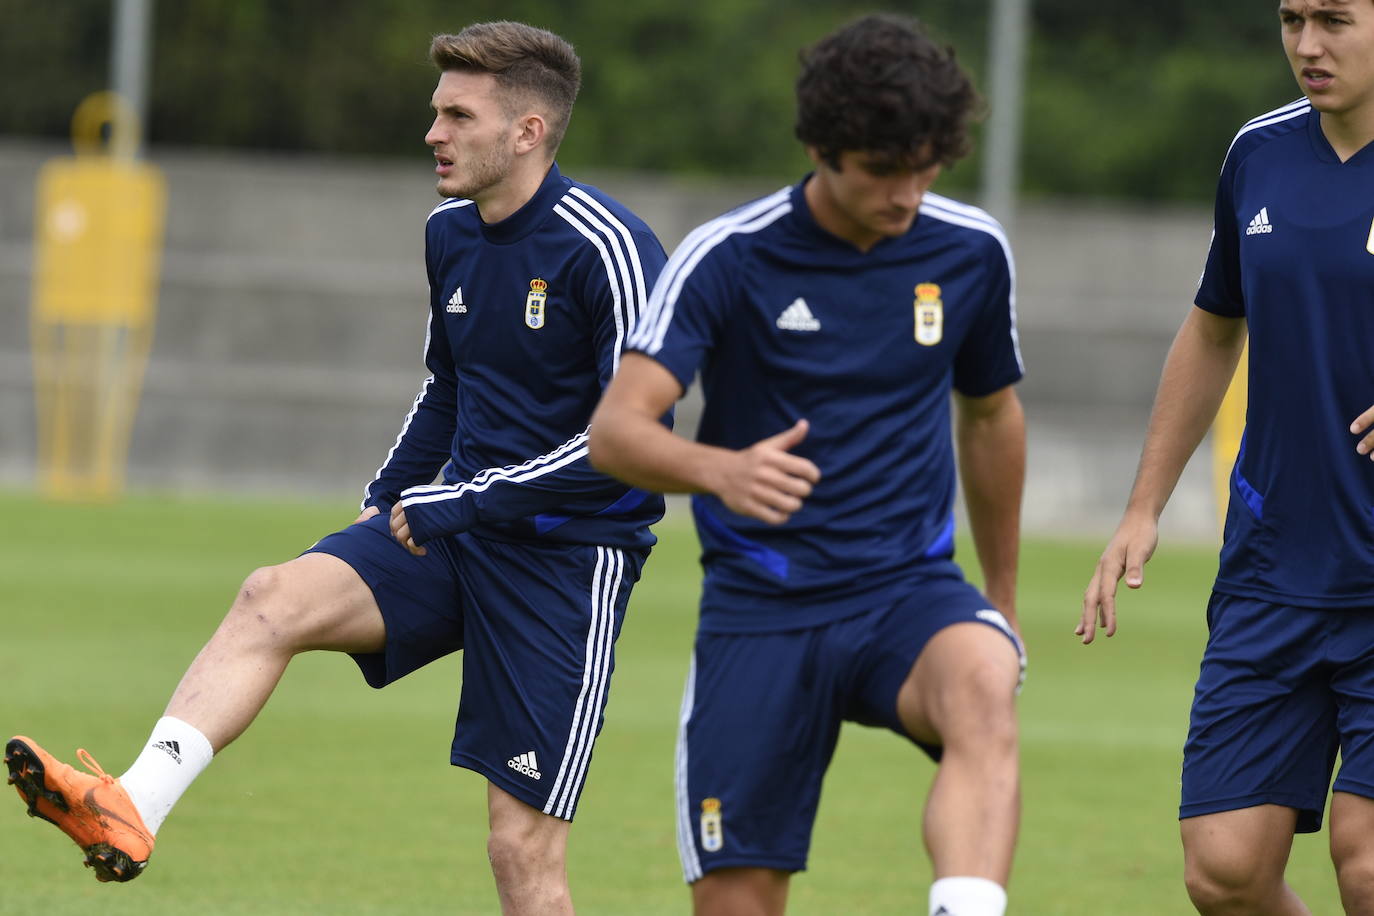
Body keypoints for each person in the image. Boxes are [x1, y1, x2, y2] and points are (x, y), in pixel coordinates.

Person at [7, 21, 667, 914]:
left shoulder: (608, 248)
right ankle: (131, 804)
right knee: (271, 597)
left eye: (457, 115)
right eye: (436, 112)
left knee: (519, 855)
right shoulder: (449, 235)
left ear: (527, 132)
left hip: (565, 561)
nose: (432, 133)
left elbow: (631, 443)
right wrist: (384, 502)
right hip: (447, 530)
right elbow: (446, 389)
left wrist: (462, 501)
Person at [588, 15, 1026, 916]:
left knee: (983, 679)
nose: (907, 193)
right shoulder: (730, 255)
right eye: (880, 170)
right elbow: (617, 432)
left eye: (925, 166)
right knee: (740, 899)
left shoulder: (970, 251)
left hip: (908, 591)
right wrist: (719, 470)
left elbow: (990, 418)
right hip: (763, 607)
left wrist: (1002, 601)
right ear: (823, 150)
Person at [1079, 2, 1374, 913]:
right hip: (1274, 567)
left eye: (1335, 20)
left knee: (1368, 864)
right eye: (1292, 19)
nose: (1307, 46)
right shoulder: (1258, 152)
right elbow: (1213, 329)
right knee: (1225, 872)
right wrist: (1142, 507)